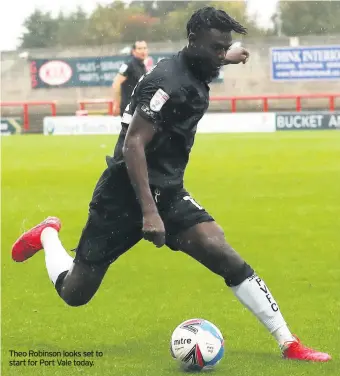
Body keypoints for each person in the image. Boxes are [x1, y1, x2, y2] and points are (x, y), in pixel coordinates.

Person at [12, 7, 331, 362]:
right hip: (124, 196)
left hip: (169, 192)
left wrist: (229, 56)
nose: (220, 55)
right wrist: (149, 212)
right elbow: (133, 145)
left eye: (224, 47)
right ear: (193, 41)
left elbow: (215, 57)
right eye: (216, 48)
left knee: (221, 250)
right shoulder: (166, 83)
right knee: (75, 292)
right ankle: (47, 234)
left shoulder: (201, 62)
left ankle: (289, 342)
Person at [112, 40, 148, 117]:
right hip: (128, 108)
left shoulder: (143, 66)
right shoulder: (128, 65)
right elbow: (116, 83)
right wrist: (116, 104)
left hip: (138, 107)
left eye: (145, 48)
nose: (143, 51)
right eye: (139, 48)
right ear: (134, 51)